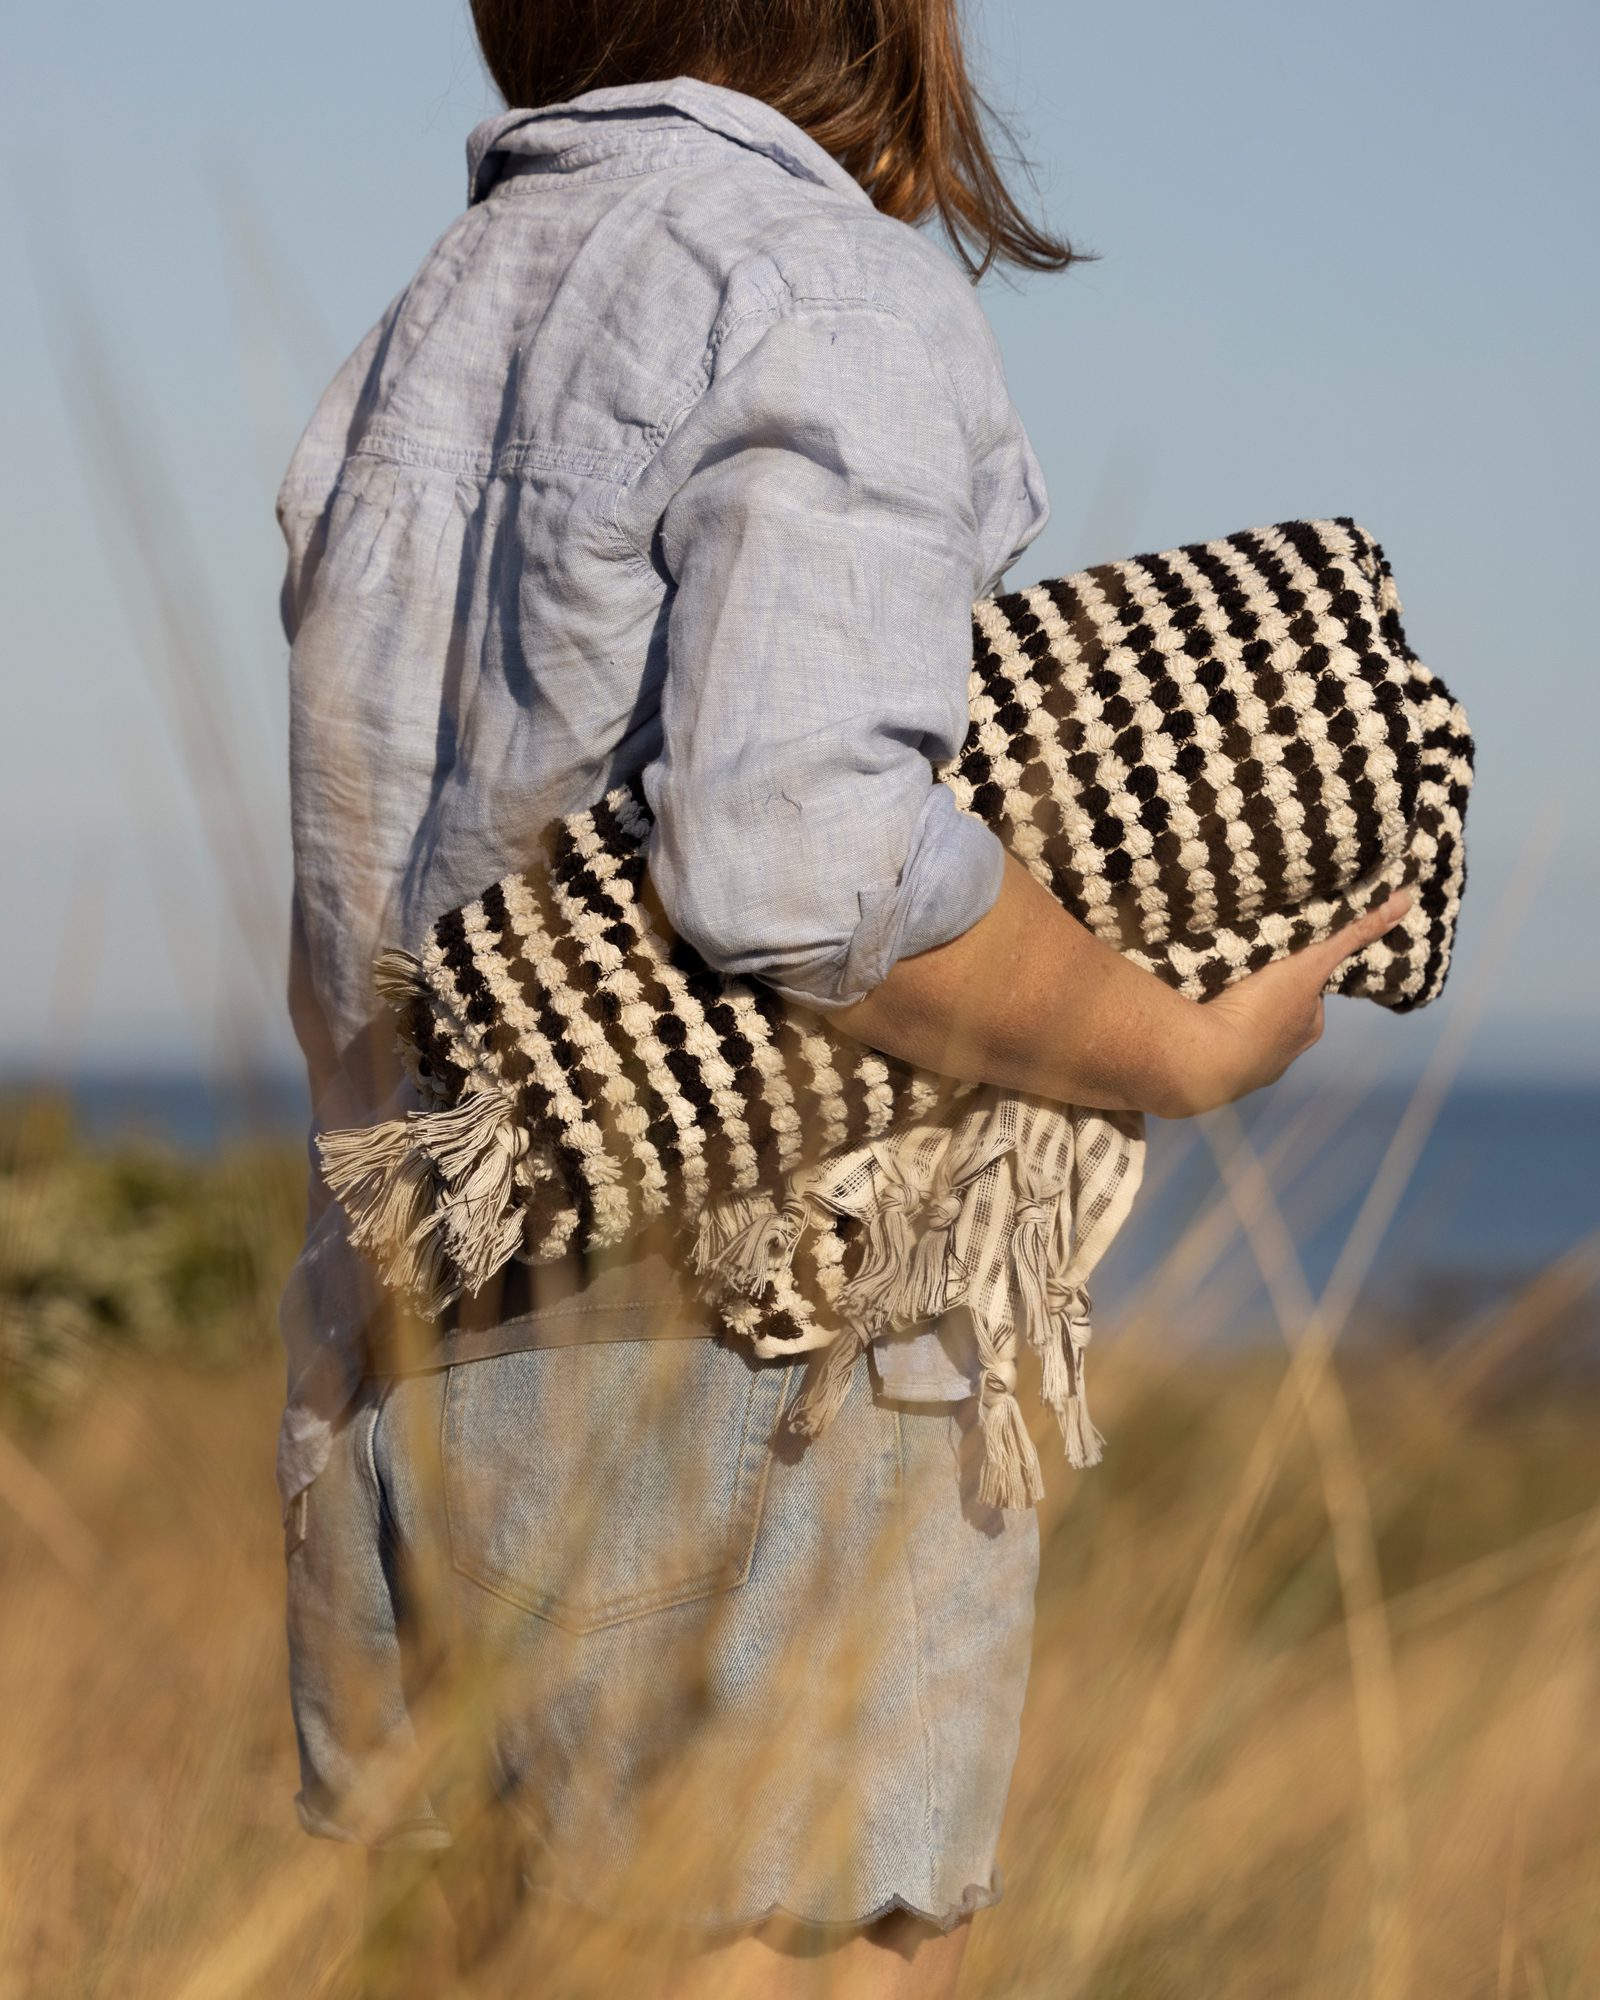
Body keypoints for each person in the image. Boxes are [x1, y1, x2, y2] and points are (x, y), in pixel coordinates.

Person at [275, 4, 1411, 1993]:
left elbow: (355, 912)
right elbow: (794, 853)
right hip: (734, 1374)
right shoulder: (813, 289)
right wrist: (1173, 1038)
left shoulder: (425, 320)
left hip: (421, 1377)